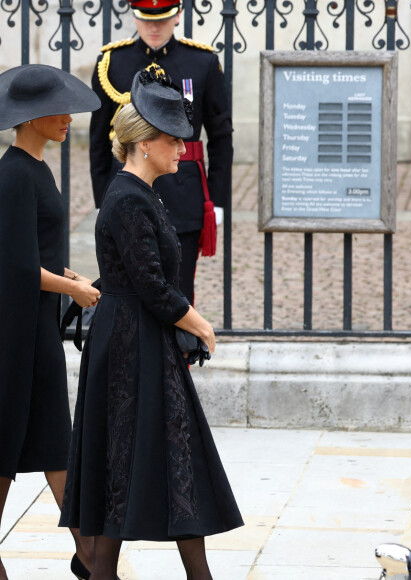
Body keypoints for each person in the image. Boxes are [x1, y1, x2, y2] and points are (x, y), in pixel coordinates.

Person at [59, 66, 243, 580]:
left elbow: (144, 279)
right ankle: (105, 574)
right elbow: (153, 286)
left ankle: (123, 574)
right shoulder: (125, 200)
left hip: (140, 338)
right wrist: (201, 325)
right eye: (174, 142)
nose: (184, 150)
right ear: (144, 145)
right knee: (131, 453)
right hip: (130, 343)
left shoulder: (139, 195)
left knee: (162, 452)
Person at [0, 64, 102, 580]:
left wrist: (68, 275)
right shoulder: (13, 173)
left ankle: (89, 556)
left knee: (52, 437)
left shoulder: (37, 170)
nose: (68, 119)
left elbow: (34, 250)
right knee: (8, 438)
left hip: (36, 326)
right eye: (59, 111)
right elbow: (15, 265)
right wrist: (74, 290)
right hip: (14, 333)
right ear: (32, 116)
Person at [89, 0, 233, 306]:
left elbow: (220, 137)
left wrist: (218, 200)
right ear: (134, 15)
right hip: (126, 188)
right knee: (128, 289)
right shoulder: (112, 61)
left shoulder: (202, 62)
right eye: (146, 19)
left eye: (163, 19)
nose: (154, 27)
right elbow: (99, 139)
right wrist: (102, 199)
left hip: (185, 193)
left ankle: (181, 354)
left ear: (178, 15)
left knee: (179, 291)